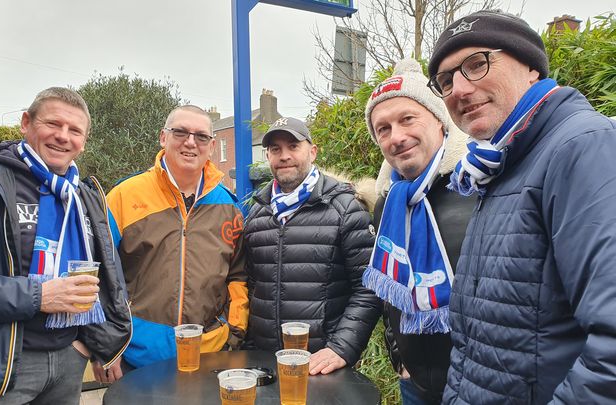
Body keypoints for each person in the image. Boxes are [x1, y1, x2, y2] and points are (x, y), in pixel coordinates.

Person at [426, 10, 616, 404]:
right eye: (445, 81)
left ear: (530, 66)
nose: (458, 90)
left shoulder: (581, 147)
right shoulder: (501, 163)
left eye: (477, 64)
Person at [0, 87, 132, 404]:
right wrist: (39, 295)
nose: (63, 137)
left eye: (75, 130)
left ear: (83, 143)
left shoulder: (84, 196)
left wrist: (95, 344)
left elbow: (107, 279)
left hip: (68, 360)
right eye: (53, 124)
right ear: (26, 123)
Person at [362, 59, 476, 404]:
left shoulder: (481, 187)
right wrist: (400, 358)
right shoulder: (388, 204)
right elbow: (387, 290)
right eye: (383, 129)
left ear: (441, 121)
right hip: (415, 386)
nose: (396, 137)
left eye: (407, 119)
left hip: (478, 386)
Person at [106, 105, 248, 371]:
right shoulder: (124, 196)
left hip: (209, 353)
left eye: (201, 136)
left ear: (212, 145)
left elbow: (238, 275)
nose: (191, 142)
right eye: (180, 132)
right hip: (137, 355)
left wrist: (234, 331)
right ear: (163, 137)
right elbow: (101, 274)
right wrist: (105, 344)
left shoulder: (229, 206)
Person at [242, 117, 381, 375]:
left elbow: (370, 287)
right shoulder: (257, 213)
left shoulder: (345, 208)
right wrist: (248, 346)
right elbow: (251, 286)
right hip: (264, 364)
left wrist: (341, 348)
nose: (284, 156)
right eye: (275, 149)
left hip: (322, 365)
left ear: (312, 151)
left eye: (293, 146)